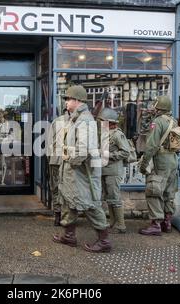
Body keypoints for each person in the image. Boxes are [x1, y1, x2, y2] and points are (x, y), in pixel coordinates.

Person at [53, 85, 111, 253]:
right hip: (73, 173)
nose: (66, 102)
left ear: (77, 101)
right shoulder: (76, 118)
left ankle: (104, 240)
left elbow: (83, 150)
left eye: (68, 99)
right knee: (69, 202)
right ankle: (69, 236)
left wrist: (69, 159)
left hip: (82, 173)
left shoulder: (84, 120)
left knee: (90, 205)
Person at [139, 96, 179, 236]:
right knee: (168, 191)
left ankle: (156, 224)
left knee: (154, 190)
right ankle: (167, 222)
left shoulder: (157, 122)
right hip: (173, 160)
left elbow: (151, 146)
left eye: (155, 107)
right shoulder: (173, 121)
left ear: (159, 108)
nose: (153, 109)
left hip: (160, 160)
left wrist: (144, 164)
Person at [97, 107, 131, 234]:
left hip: (113, 171)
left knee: (115, 197)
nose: (101, 123)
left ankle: (121, 225)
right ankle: (112, 222)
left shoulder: (117, 134)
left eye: (103, 121)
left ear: (111, 122)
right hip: (105, 170)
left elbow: (125, 152)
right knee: (109, 197)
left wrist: (108, 155)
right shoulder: (105, 134)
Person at [48, 104, 70, 226]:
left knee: (55, 187)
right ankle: (66, 217)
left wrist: (50, 158)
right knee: (67, 189)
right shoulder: (77, 122)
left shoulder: (56, 121)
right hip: (68, 161)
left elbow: (50, 143)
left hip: (55, 159)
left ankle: (57, 215)